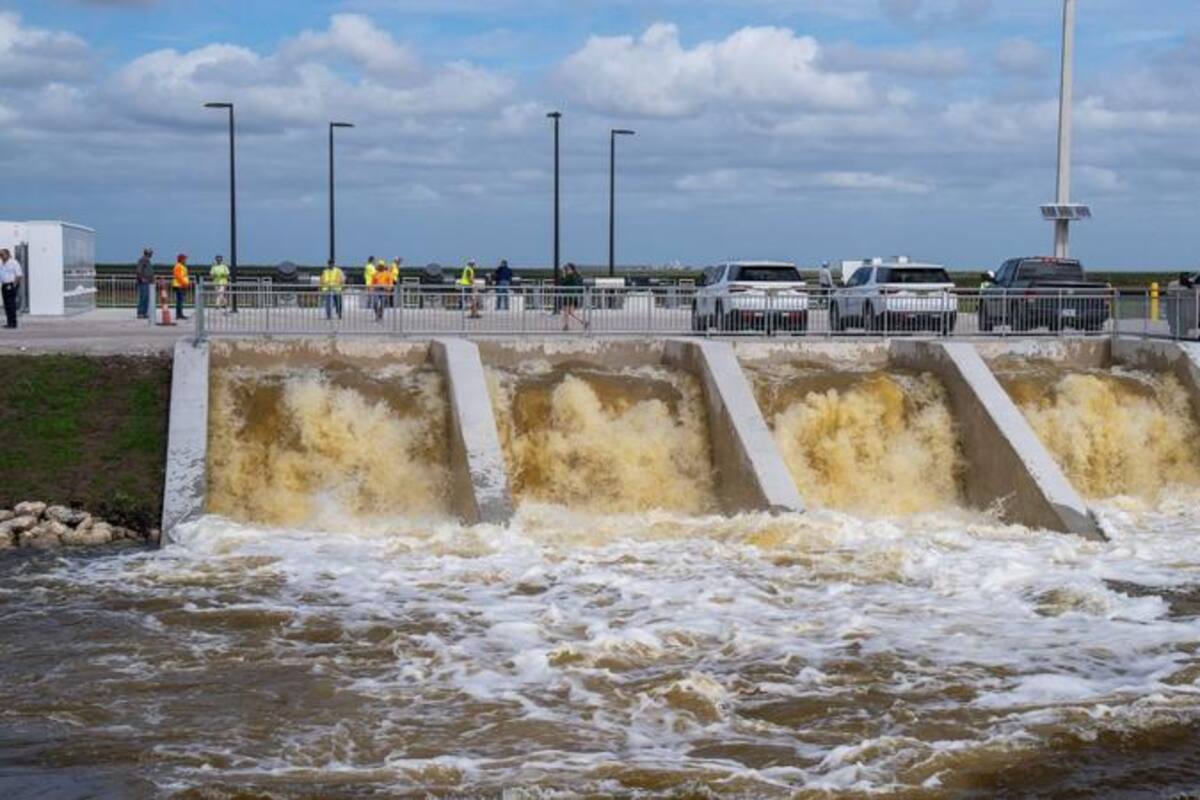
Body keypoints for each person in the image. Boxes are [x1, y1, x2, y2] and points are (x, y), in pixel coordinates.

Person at [560, 262, 587, 331]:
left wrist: (563, 274)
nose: (566, 270)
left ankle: (566, 325)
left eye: (567, 268)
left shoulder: (570, 275)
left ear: (571, 269)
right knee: (570, 312)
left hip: (568, 296)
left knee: (566, 311)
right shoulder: (576, 275)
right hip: (573, 296)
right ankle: (582, 322)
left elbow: (563, 283)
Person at [0, 248, 21, 329]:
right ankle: (9, 322)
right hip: (4, 285)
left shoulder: (13, 263)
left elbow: (19, 275)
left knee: (11, 304)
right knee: (6, 305)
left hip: (11, 285)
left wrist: (14, 286)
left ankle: (13, 323)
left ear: (8, 254)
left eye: (2, 254)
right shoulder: (2, 264)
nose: (1, 256)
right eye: (0, 255)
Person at [135, 248, 154, 319]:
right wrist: (142, 278)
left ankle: (144, 313)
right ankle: (140, 313)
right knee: (143, 297)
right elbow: (138, 270)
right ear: (147, 253)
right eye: (151, 253)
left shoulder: (147, 261)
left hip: (148, 282)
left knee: (146, 298)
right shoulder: (142, 260)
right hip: (143, 282)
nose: (152, 254)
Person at [172, 254, 190, 321]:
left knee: (180, 301)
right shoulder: (178, 266)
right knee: (179, 301)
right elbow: (178, 276)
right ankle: (179, 315)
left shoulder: (182, 266)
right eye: (184, 259)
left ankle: (180, 314)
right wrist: (184, 283)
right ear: (181, 260)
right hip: (179, 285)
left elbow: (183, 276)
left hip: (181, 285)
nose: (185, 260)